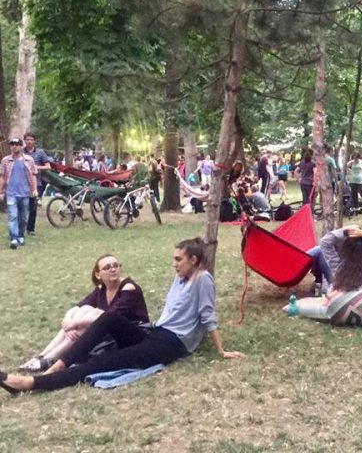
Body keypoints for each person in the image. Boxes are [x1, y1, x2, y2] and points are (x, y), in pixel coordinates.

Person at [0, 238, 243, 394]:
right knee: (108, 319)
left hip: (172, 344)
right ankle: (55, 367)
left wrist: (221, 351)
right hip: (155, 332)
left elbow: (208, 315)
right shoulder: (180, 278)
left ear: (193, 260)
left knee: (105, 361)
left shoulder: (203, 279)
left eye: (178, 259)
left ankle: (29, 384)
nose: (174, 264)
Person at [18, 255, 149, 373]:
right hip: (110, 333)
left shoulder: (129, 288)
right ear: (98, 275)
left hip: (133, 334)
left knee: (95, 313)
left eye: (116, 265)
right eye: (107, 267)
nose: (113, 269)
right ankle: (43, 356)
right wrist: (68, 323)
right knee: (85, 309)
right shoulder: (101, 289)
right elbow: (78, 307)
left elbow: (111, 317)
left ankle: (51, 359)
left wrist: (75, 323)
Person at [0, 137, 37, 250]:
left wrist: (34, 189)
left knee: (24, 217)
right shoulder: (5, 160)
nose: (14, 147)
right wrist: (1, 191)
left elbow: (33, 175)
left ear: (21, 146)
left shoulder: (29, 160)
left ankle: (21, 235)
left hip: (25, 193)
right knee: (13, 216)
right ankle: (14, 238)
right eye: (12, 144)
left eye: (16, 144)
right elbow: (3, 177)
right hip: (11, 193)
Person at [22, 132, 51, 237]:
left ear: (34, 141)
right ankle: (21, 227)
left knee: (33, 207)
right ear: (24, 141)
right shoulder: (21, 152)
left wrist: (36, 167)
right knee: (22, 206)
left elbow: (48, 166)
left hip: (36, 183)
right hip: (22, 183)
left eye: (31, 140)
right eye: (27, 139)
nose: (29, 142)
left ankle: (31, 229)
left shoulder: (40, 152)